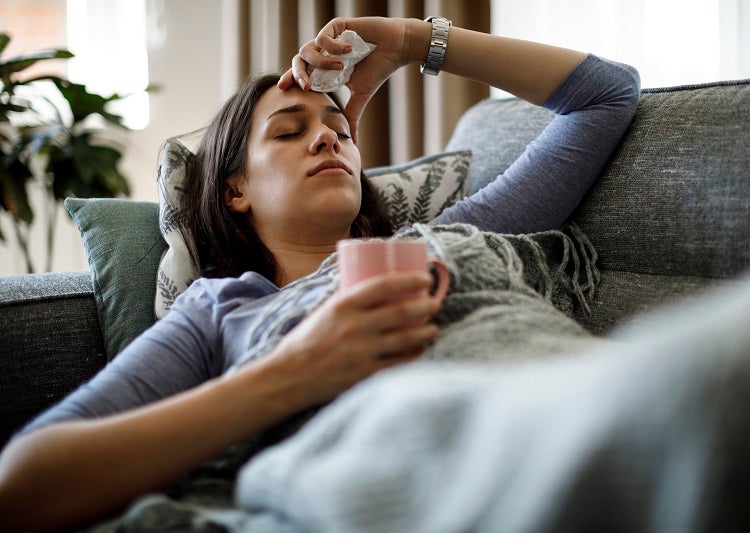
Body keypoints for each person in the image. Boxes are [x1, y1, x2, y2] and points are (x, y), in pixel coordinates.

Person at [0, 16, 640, 531]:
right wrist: (292, 372)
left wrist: (411, 40)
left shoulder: (445, 238)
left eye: (341, 128)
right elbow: (22, 484)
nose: (329, 139)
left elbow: (606, 97)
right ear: (235, 192)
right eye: (288, 132)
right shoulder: (220, 309)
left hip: (571, 427)